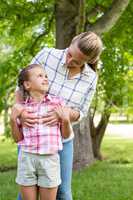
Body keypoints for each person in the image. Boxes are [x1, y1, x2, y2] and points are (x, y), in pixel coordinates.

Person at [16, 31, 103, 200]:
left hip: (61, 141)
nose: (69, 61)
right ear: (71, 42)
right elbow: (21, 86)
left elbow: (81, 112)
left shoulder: (91, 78)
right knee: (27, 191)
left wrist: (63, 115)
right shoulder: (47, 55)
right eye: (70, 54)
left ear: (89, 61)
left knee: (63, 192)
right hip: (31, 135)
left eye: (76, 61)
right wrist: (21, 112)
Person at [11, 64, 73, 200]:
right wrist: (12, 119)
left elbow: (66, 135)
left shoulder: (57, 104)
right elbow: (17, 139)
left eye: (46, 76)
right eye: (40, 76)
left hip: (50, 159)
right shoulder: (21, 108)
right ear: (27, 84)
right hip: (26, 158)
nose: (45, 79)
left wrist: (66, 120)